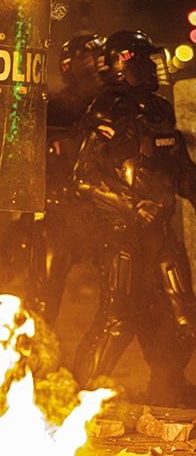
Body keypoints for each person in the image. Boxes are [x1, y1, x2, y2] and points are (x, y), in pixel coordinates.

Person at [69, 30, 196, 407]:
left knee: (187, 323)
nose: (152, 69)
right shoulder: (105, 111)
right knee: (117, 320)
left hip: (160, 233)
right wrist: (131, 206)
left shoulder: (160, 111)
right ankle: (79, 400)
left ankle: (166, 391)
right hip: (120, 235)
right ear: (122, 66)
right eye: (143, 61)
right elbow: (84, 178)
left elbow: (178, 172)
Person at [23, 34, 107, 321]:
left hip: (109, 212)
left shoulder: (117, 105)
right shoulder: (55, 108)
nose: (97, 68)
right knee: (42, 292)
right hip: (61, 212)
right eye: (90, 61)